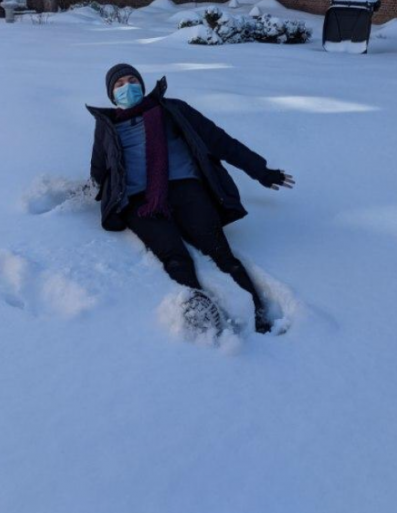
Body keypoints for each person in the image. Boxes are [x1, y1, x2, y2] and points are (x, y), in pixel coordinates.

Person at [86, 64, 294, 334]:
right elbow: (99, 169)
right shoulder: (107, 126)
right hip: (139, 201)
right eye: (119, 84)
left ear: (142, 84)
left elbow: (219, 140)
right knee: (174, 256)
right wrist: (93, 191)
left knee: (220, 251)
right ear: (112, 94)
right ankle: (202, 313)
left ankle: (259, 311)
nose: (128, 86)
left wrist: (261, 171)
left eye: (132, 80)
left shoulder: (171, 109)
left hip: (185, 188)